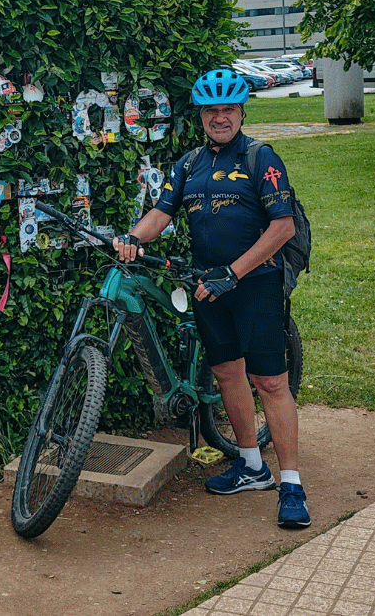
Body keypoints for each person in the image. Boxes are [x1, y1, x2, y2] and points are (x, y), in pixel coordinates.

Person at [112, 68, 310, 529]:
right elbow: (162, 211)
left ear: (241, 112)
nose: (220, 118)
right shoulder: (189, 164)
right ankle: (251, 466)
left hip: (255, 284)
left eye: (228, 109)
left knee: (271, 383)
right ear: (201, 116)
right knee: (225, 372)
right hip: (206, 285)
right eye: (211, 111)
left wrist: (233, 273)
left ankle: (292, 484)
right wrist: (133, 237)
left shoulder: (262, 158)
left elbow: (283, 228)